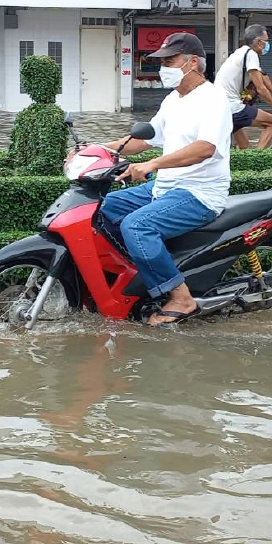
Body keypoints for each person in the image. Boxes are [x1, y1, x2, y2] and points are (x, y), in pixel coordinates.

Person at [94, 32, 233, 326]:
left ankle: (181, 298)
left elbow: (206, 148)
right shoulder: (173, 99)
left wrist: (152, 164)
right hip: (164, 188)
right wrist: (99, 151)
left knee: (137, 225)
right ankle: (139, 275)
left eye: (170, 60)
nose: (163, 67)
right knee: (100, 208)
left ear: (192, 63)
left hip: (199, 193)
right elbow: (146, 139)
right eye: (163, 61)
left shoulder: (213, 98)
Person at [215, 24, 272, 149]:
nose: (267, 44)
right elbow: (261, 88)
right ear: (259, 42)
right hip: (231, 106)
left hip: (220, 106)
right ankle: (258, 161)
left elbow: (263, 77)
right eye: (267, 41)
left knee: (244, 147)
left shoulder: (241, 52)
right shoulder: (251, 55)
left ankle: (244, 163)